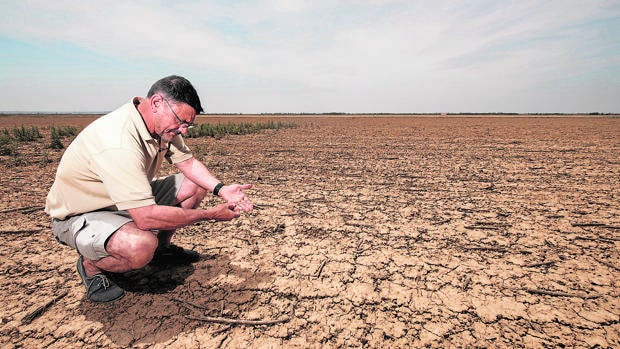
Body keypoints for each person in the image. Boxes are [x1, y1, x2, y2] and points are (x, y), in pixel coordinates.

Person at [45, 75, 253, 303]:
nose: (183, 131)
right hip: (83, 213)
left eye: (188, 125)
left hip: (122, 200)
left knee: (195, 185)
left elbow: (187, 163)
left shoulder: (161, 127)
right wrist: (210, 215)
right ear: (156, 103)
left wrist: (221, 189)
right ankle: (91, 264)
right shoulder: (118, 141)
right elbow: (146, 218)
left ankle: (162, 251)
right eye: (181, 122)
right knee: (140, 245)